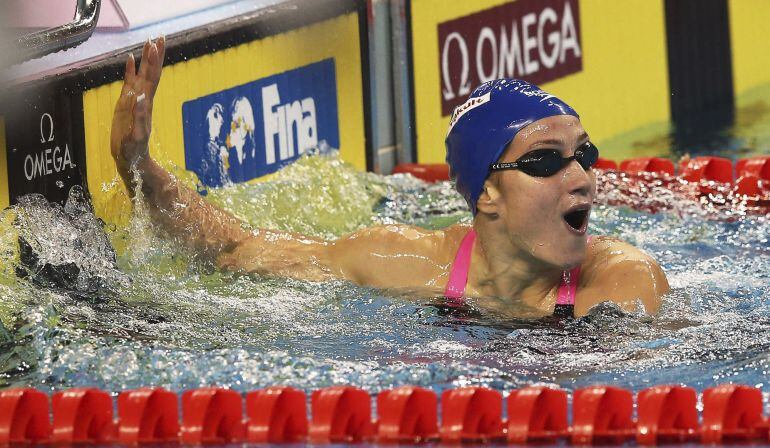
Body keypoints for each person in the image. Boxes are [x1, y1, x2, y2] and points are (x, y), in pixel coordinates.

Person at [111, 38, 669, 318]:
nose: (583, 180)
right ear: (488, 195)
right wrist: (138, 167)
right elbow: (237, 248)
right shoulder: (406, 261)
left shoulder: (622, 284)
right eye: (546, 160)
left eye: (585, 154)